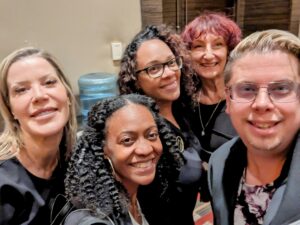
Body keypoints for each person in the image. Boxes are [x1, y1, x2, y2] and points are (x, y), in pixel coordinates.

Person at [208, 29, 300, 225]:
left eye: (281, 88)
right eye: (247, 89)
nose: (261, 103)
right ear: (228, 100)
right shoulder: (219, 162)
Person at [118, 25, 201, 225]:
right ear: (135, 80)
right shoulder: (143, 133)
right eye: (154, 68)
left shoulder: (181, 112)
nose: (169, 73)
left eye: (171, 62)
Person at [63, 94, 184, 225]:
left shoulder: (145, 192)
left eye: (152, 135)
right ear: (103, 149)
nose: (146, 149)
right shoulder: (93, 220)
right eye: (127, 140)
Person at [0, 47, 77, 224]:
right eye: (21, 90)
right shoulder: (3, 181)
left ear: (67, 95)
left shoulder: (79, 162)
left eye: (49, 82)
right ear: (10, 109)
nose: (39, 96)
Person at [181, 12, 242, 165]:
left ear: (229, 51)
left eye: (217, 45)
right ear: (189, 54)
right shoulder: (184, 100)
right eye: (199, 46)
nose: (208, 55)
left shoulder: (243, 99)